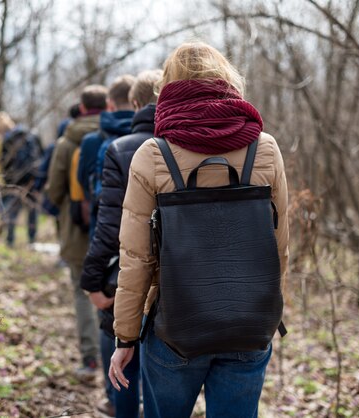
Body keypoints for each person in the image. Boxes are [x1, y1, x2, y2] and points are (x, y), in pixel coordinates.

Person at [109, 42, 290, 418]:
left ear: (169, 87)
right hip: (248, 323)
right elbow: (279, 244)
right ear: (226, 81)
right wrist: (268, 313)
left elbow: (136, 259)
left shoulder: (153, 154)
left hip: (174, 327)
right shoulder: (264, 149)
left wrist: (125, 336)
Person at [80, 70, 162, 418]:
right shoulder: (188, 147)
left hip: (125, 272)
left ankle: (123, 410)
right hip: (175, 277)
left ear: (134, 103)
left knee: (123, 350)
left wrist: (92, 280)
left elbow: (108, 223)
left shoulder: (121, 148)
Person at [46, 85, 108, 379]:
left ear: (82, 107)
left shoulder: (65, 142)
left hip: (76, 230)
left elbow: (54, 190)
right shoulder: (118, 133)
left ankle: (90, 359)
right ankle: (118, 363)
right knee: (117, 290)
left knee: (83, 292)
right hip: (113, 230)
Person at [77, 75, 136, 237]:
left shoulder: (91, 141)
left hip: (103, 225)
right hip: (144, 227)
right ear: (136, 100)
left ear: (110, 104)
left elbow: (83, 178)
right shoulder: (154, 135)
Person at [0, 111, 42, 247]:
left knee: (12, 211)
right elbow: (40, 157)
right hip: (31, 179)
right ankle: (32, 240)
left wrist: (7, 182)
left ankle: (10, 240)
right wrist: (37, 179)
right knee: (32, 210)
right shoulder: (30, 136)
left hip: (14, 181)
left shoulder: (6, 140)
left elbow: (2, 163)